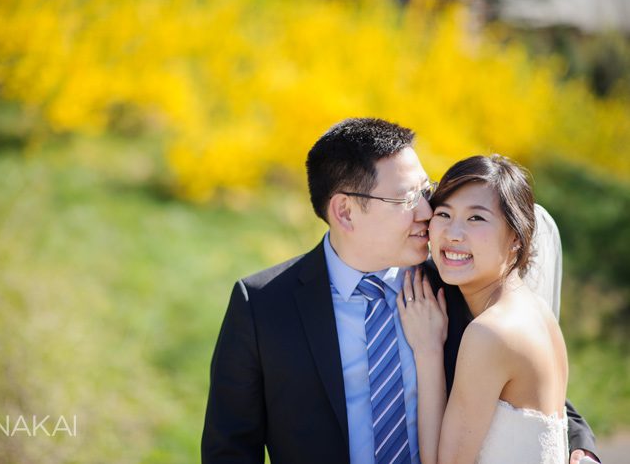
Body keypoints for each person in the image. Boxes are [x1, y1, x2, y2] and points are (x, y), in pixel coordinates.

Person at [201, 118, 598, 463]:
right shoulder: (264, 306)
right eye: (408, 199)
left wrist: (582, 450)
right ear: (345, 212)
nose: (428, 212)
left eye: (426, 192)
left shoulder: (456, 280)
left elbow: (525, 386)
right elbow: (230, 450)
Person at [399, 154, 598, 463]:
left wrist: (428, 351)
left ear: (516, 238)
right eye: (444, 214)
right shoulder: (536, 310)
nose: (453, 233)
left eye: (476, 218)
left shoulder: (491, 332)